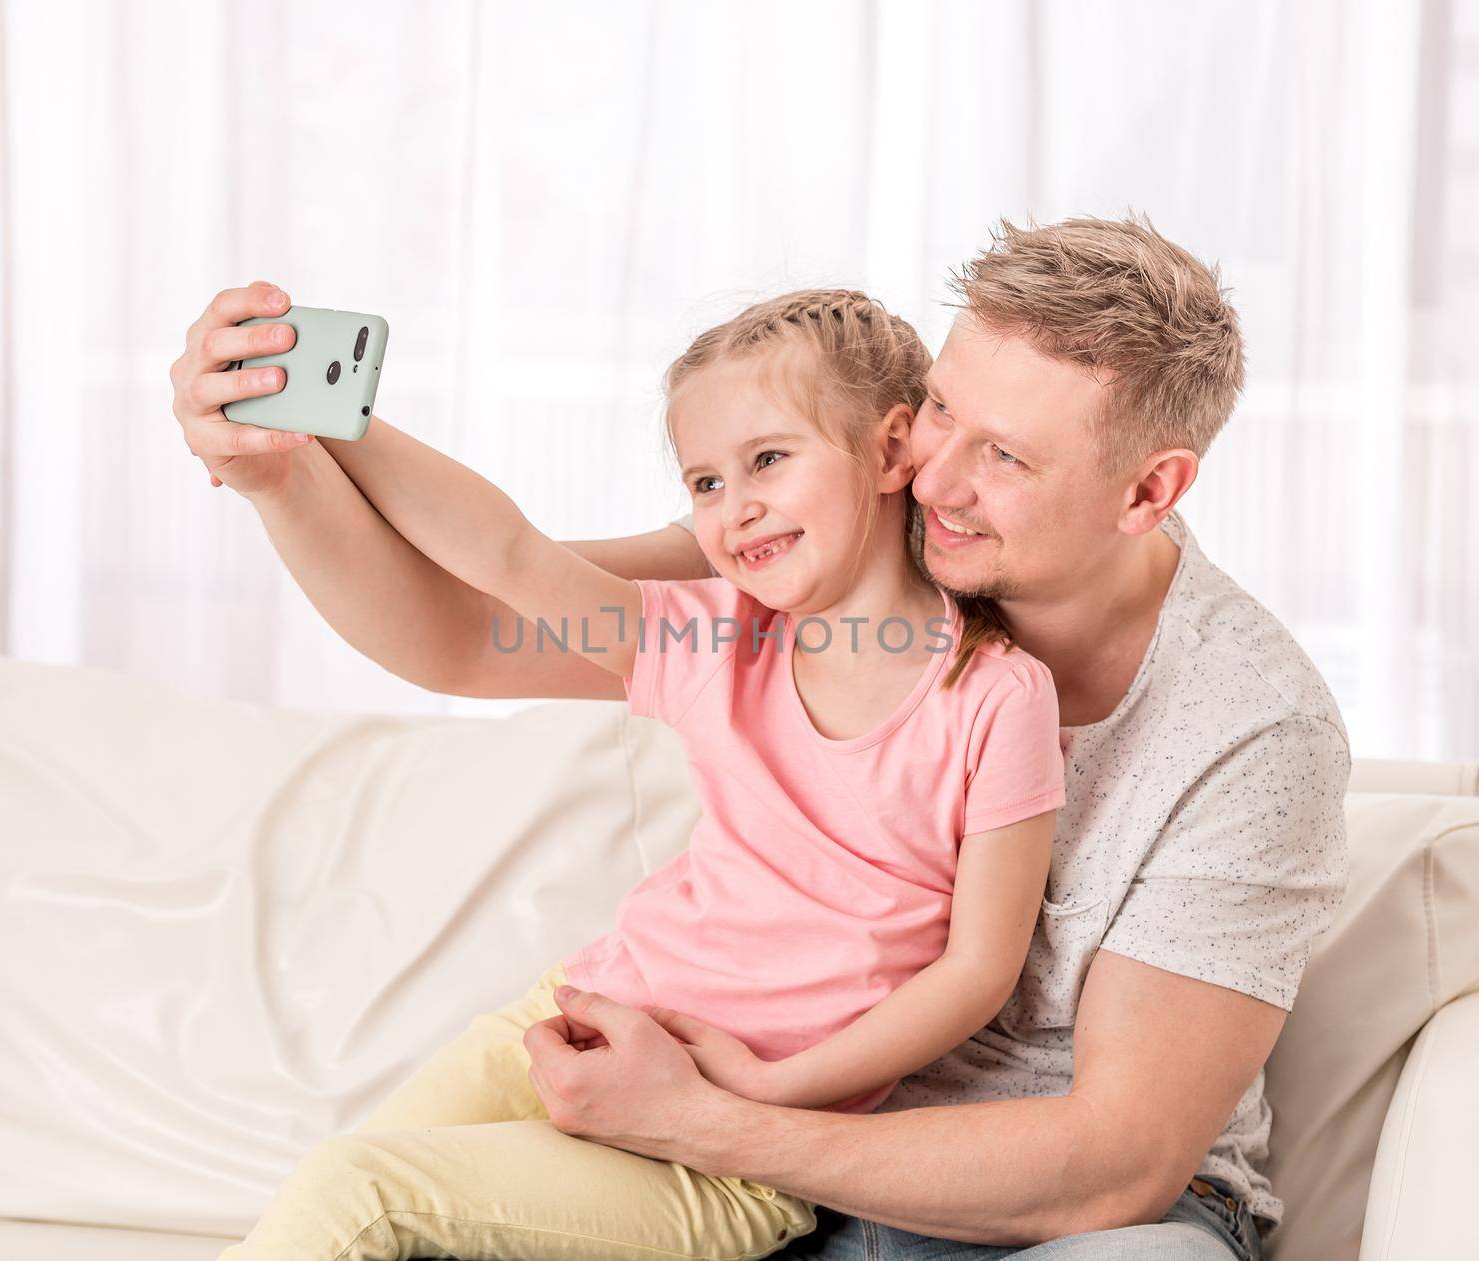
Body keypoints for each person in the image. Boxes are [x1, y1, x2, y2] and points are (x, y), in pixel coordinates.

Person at [170, 214, 1350, 1261]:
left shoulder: (1244, 726)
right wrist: (285, 464)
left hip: (1034, 1199)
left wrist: (718, 1117)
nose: (932, 471)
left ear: (1148, 492)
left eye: (1004, 456)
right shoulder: (795, 564)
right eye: (941, 407)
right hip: (766, 1157)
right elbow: (480, 620)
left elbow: (1112, 1164)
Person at [209, 288, 1066, 1261]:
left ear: (888, 448)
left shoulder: (997, 698)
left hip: (728, 1155)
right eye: (703, 481)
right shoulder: (712, 636)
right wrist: (331, 417)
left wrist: (773, 1091)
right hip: (571, 1020)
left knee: (354, 1192)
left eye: (768, 459)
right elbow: (508, 552)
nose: (734, 506)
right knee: (337, 1196)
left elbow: (976, 971)